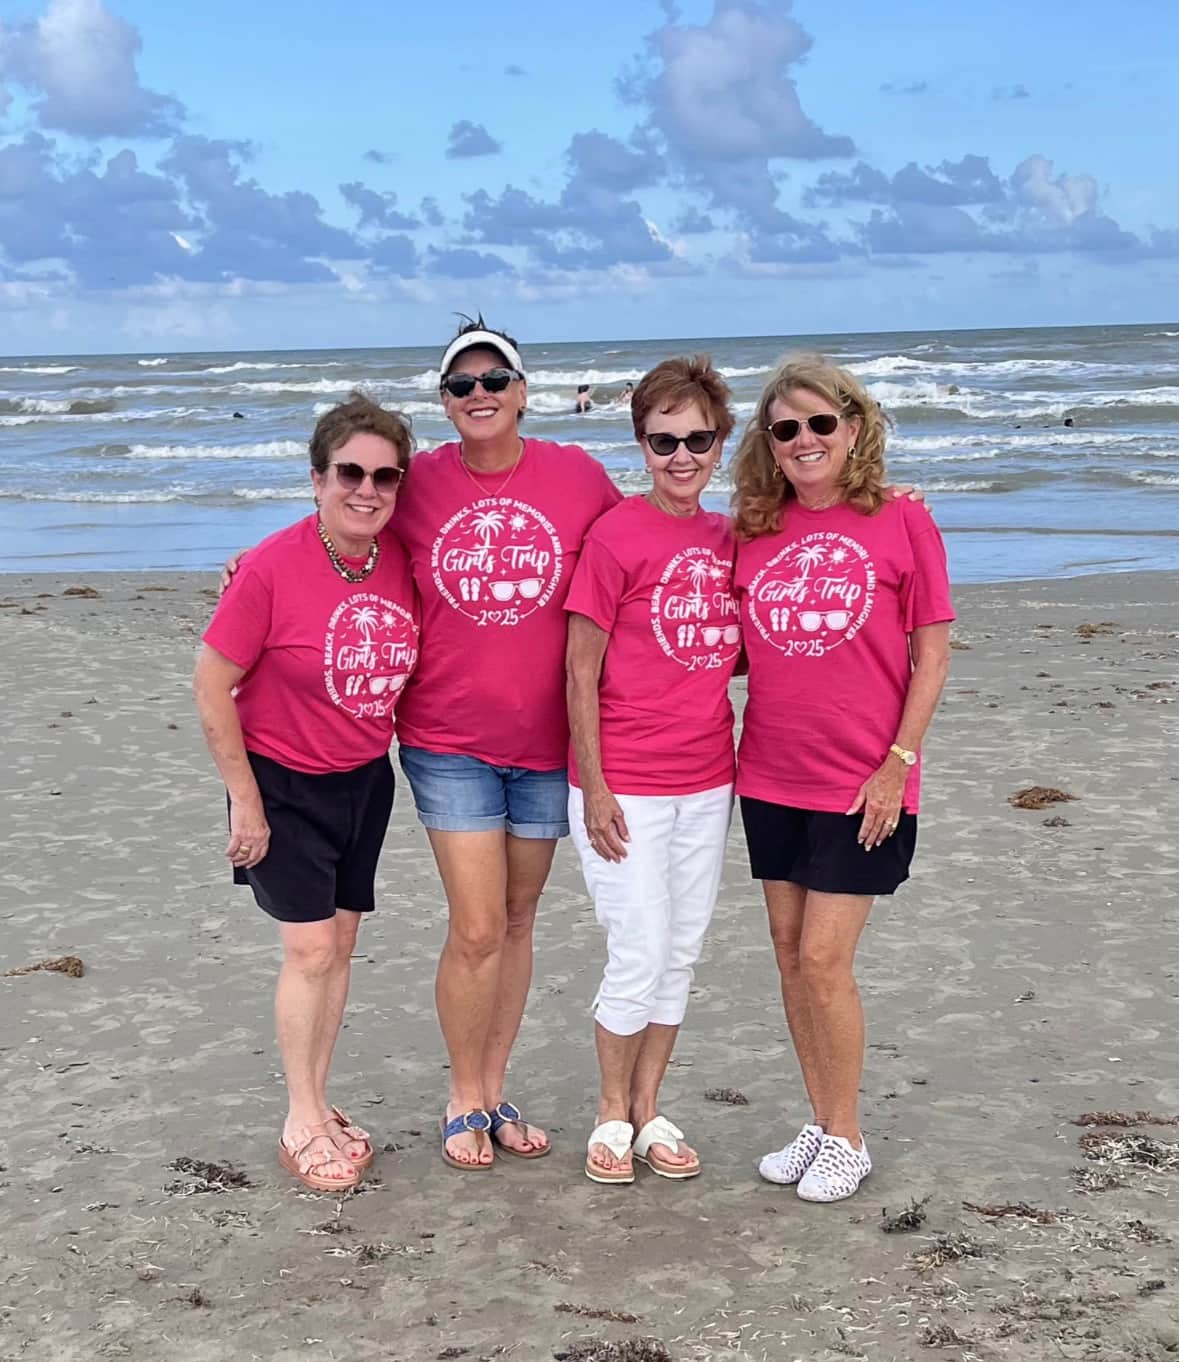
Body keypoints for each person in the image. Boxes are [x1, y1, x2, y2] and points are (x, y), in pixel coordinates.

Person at [392, 321, 622, 1169]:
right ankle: (461, 1096)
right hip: (447, 741)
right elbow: (337, 534)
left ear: (524, 391)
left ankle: (493, 1090)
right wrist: (250, 566)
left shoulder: (576, 476)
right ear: (444, 402)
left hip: (550, 747)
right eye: (460, 385)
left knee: (519, 921)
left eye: (495, 380)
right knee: (478, 925)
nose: (478, 394)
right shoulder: (414, 483)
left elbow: (650, 547)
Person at [730, 356, 953, 1203]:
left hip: (863, 782)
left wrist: (896, 765)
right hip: (771, 774)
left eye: (821, 423)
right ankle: (821, 1123)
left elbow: (931, 652)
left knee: (825, 960)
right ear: (770, 444)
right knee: (789, 960)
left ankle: (849, 1135)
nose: (804, 440)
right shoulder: (753, 529)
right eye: (785, 429)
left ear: (853, 428)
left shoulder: (901, 520)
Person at [194, 394, 419, 1193]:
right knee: (311, 948)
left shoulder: (399, 557)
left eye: (384, 476)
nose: (367, 489)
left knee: (342, 945)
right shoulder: (268, 567)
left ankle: (321, 1104)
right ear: (317, 478)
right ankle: (299, 1119)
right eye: (349, 472)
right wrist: (244, 802)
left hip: (362, 781)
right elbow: (211, 686)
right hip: (279, 782)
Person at [566, 357, 739, 1184]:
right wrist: (594, 783)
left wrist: (898, 501)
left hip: (708, 778)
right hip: (622, 782)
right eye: (663, 440)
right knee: (636, 948)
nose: (681, 456)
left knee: (681, 950)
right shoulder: (615, 536)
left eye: (696, 439)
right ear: (640, 443)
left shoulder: (732, 535)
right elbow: (578, 667)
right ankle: (608, 1110)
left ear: (720, 443)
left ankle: (648, 1109)